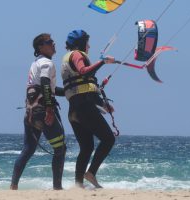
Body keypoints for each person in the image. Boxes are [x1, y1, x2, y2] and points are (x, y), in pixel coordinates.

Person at [10, 33, 66, 190]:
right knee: (60, 148)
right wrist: (49, 109)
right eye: (49, 42)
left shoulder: (36, 63)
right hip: (43, 111)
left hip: (31, 112)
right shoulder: (47, 63)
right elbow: (45, 84)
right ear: (40, 47)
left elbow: (49, 88)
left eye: (53, 41)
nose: (53, 43)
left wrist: (68, 91)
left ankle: (13, 186)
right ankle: (57, 188)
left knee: (28, 149)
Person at [61, 30, 116, 188]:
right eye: (87, 42)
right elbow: (84, 73)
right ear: (80, 43)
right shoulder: (77, 54)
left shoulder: (67, 57)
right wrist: (103, 62)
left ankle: (78, 184)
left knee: (86, 147)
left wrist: (103, 104)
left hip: (74, 110)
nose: (89, 46)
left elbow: (85, 87)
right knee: (108, 139)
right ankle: (91, 173)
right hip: (84, 108)